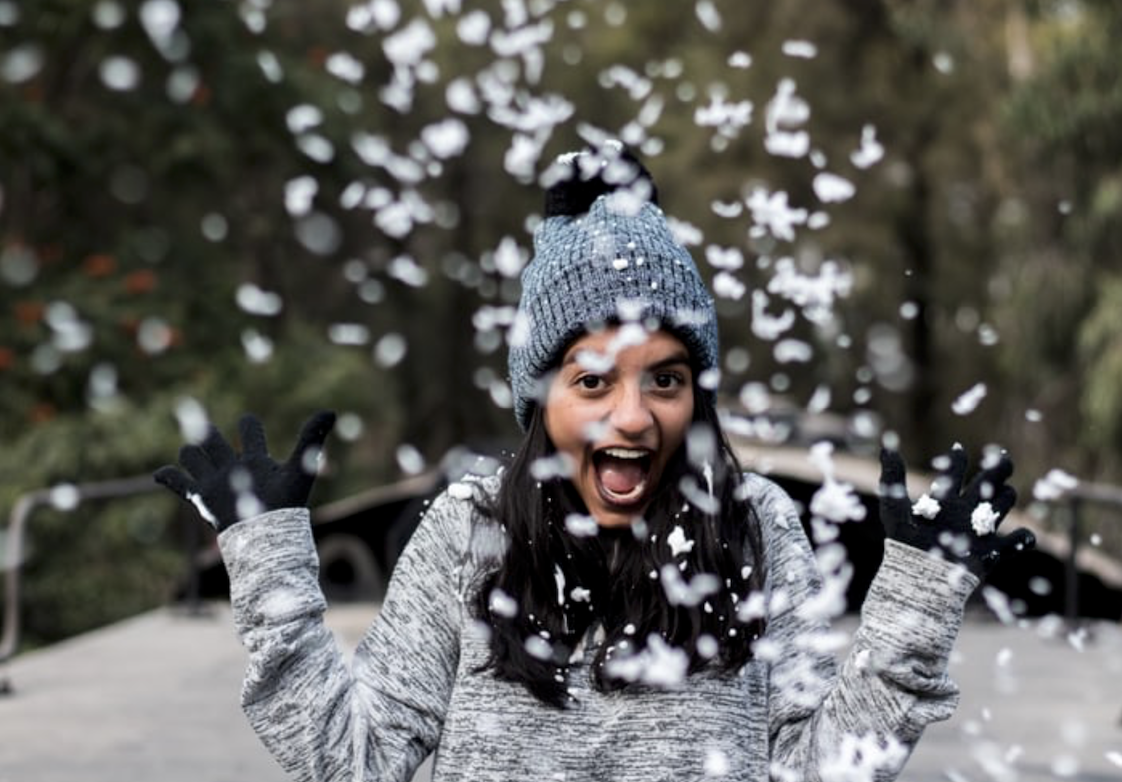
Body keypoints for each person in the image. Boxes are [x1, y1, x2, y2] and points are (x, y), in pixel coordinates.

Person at [154, 142, 1035, 782]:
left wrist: (918, 609)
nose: (633, 414)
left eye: (667, 377)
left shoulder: (757, 524)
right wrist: (269, 569)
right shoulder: (469, 531)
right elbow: (357, 761)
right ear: (540, 396)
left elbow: (822, 770)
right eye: (592, 378)